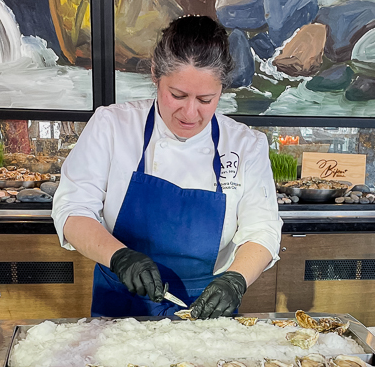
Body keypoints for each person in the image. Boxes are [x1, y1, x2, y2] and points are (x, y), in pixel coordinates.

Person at [51, 16, 282, 319]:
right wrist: (119, 257)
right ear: (155, 75)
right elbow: (73, 209)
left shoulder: (245, 144)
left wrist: (235, 281)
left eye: (205, 99)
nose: (190, 113)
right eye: (177, 95)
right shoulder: (113, 126)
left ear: (222, 90)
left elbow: (262, 229)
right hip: (120, 305)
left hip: (208, 311)